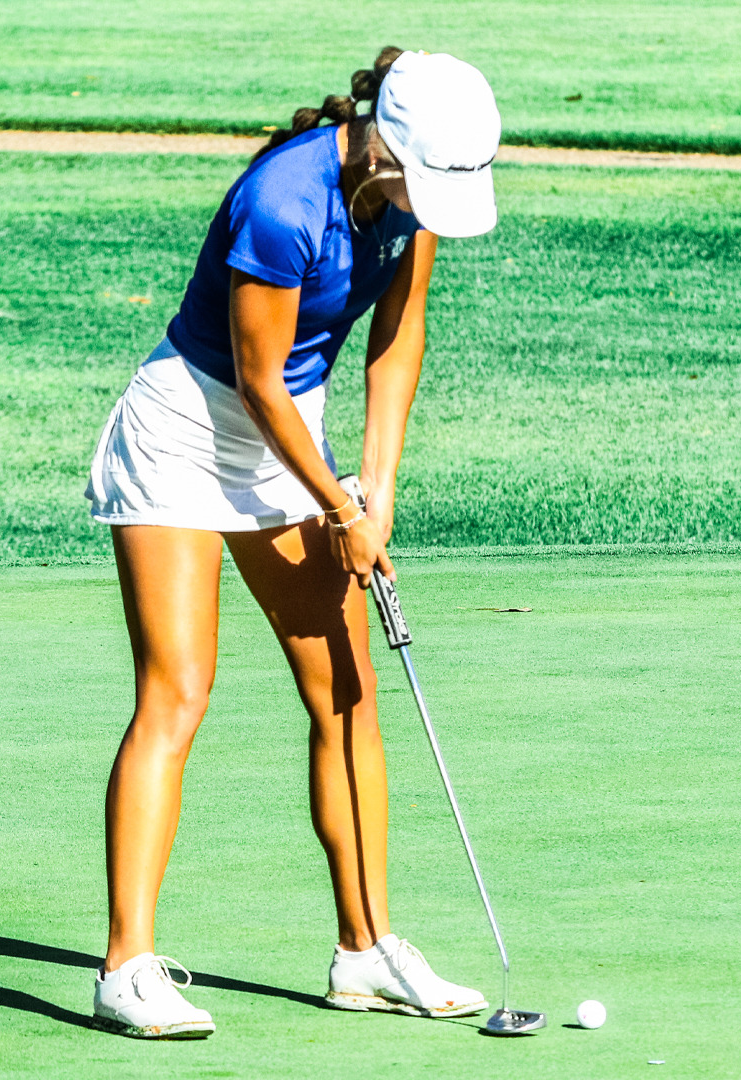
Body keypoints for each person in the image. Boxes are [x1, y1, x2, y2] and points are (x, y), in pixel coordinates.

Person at [80, 48, 503, 1039]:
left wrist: (379, 492)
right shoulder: (283, 199)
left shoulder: (409, 203)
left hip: (289, 438)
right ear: (382, 151)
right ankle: (126, 967)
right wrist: (339, 507)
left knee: (347, 689)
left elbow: (398, 342)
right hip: (188, 427)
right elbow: (259, 377)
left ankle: (365, 949)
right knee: (179, 689)